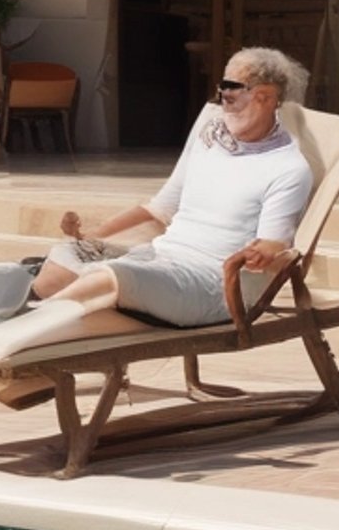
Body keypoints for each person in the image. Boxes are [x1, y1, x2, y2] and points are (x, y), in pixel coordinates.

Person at [26, 46, 313, 328]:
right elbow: (161, 207)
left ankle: (23, 328)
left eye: (231, 96)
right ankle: (30, 325)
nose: (224, 106)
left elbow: (276, 245)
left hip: (212, 282)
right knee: (60, 266)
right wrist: (91, 235)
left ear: (265, 97)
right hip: (163, 259)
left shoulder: (287, 168)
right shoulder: (210, 136)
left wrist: (263, 253)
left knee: (110, 278)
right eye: (222, 94)